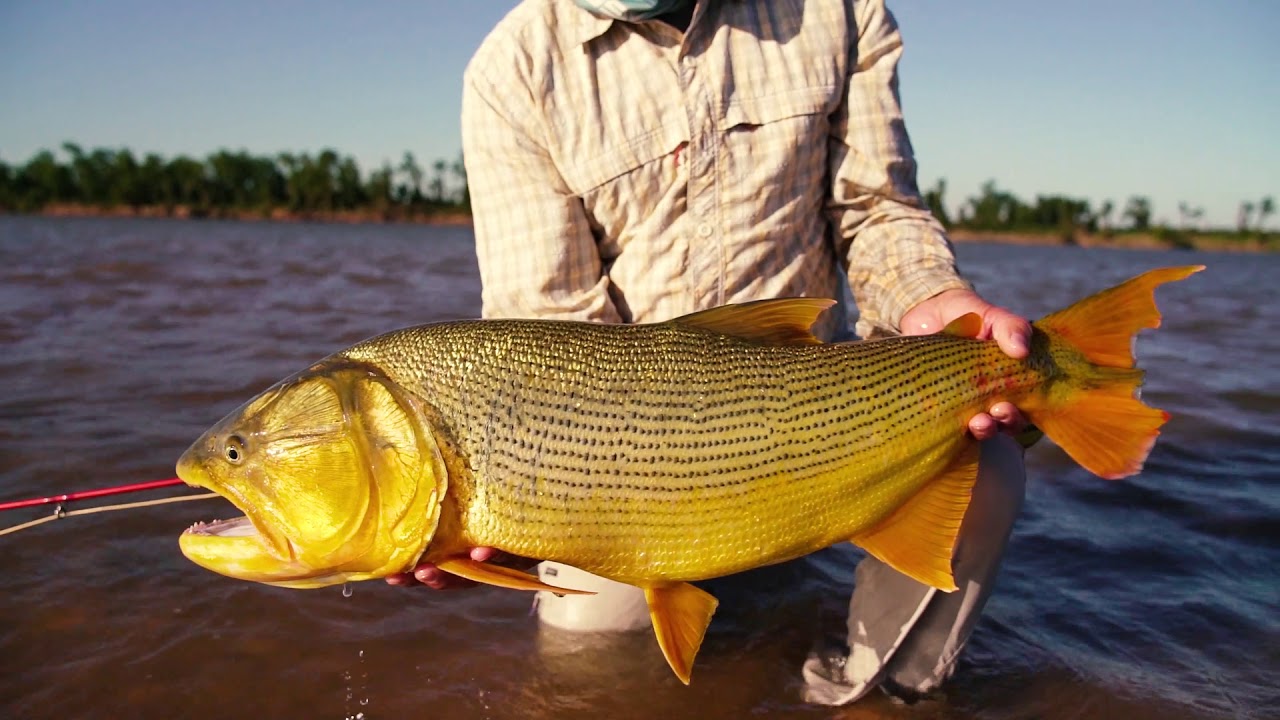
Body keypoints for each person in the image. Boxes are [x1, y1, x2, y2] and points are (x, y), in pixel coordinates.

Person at [388, 0, 1030, 704]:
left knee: (988, 462)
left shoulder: (840, 11)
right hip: (620, 448)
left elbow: (875, 207)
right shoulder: (515, 68)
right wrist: (502, 510)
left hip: (815, 403)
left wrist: (929, 295)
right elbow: (549, 329)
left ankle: (879, 695)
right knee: (587, 664)